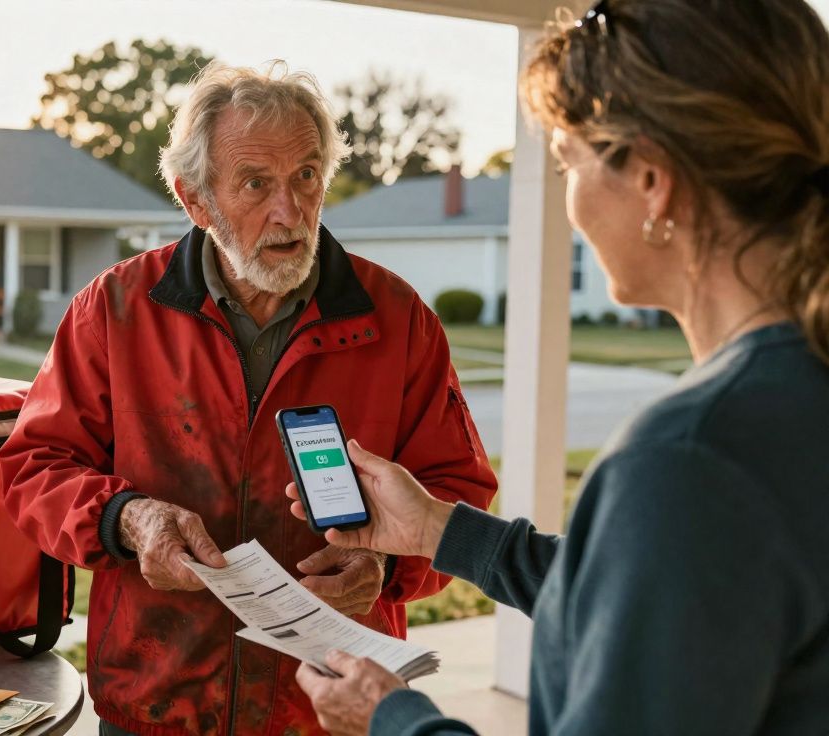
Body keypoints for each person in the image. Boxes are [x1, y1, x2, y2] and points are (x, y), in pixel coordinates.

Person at [290, 1, 829, 733]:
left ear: (651, 180)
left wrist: (391, 718)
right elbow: (655, 597)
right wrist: (438, 530)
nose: (567, 197)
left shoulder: (690, 460)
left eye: (566, 162)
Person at [0, 62, 497, 735]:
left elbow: (458, 491)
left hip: (329, 709)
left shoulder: (400, 319)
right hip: (156, 701)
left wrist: (385, 566)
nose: (290, 211)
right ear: (196, 201)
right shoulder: (114, 309)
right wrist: (128, 518)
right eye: (257, 183)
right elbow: (35, 468)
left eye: (307, 176)